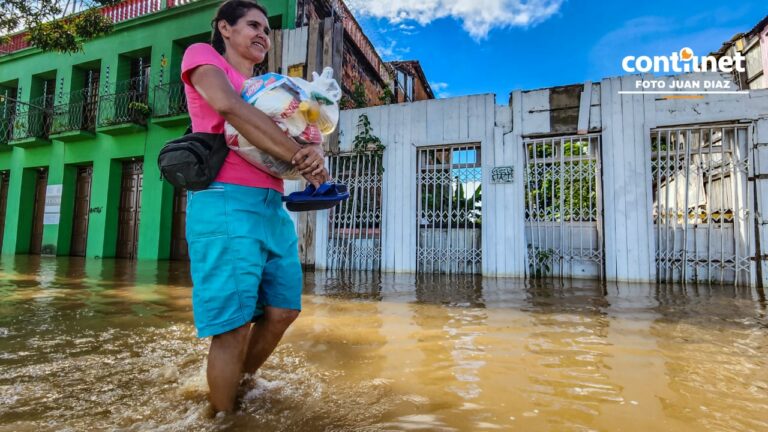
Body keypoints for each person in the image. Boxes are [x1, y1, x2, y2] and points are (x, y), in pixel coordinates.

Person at [180, 0, 328, 413]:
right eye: (252, 25)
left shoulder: (271, 89)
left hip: (272, 204)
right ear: (225, 29)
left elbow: (307, 130)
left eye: (267, 28)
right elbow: (229, 106)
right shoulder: (204, 58)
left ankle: (234, 383)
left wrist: (315, 151)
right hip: (224, 201)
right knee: (232, 326)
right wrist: (300, 154)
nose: (263, 33)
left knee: (283, 310)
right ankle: (223, 417)